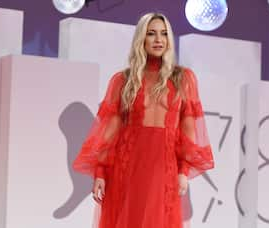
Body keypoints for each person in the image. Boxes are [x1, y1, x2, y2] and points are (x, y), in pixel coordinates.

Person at [73, 12, 214, 228]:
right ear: (141, 38)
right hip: (127, 168)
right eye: (151, 34)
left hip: (163, 170)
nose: (158, 40)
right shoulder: (123, 80)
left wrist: (183, 171)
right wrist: (101, 172)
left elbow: (188, 129)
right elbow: (110, 130)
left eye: (164, 34)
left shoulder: (183, 78)